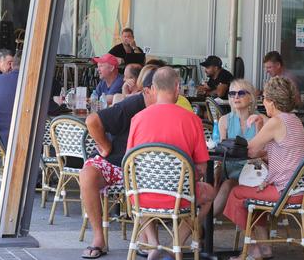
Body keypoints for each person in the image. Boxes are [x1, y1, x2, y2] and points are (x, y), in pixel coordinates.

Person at [126, 67, 216, 257]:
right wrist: (186, 177)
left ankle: (153, 243)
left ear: (154, 88)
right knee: (209, 194)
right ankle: (177, 241)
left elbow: (129, 164)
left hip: (141, 196)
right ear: (177, 87)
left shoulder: (137, 119)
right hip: (179, 197)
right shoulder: (192, 120)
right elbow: (201, 167)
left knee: (139, 190)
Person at [223, 76, 304, 259]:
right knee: (253, 196)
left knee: (236, 194)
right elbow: (272, 151)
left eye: (265, 99)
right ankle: (265, 248)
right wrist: (261, 124)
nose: (263, 103)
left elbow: (251, 151)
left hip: (286, 191)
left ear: (272, 101)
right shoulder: (295, 120)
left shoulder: (277, 121)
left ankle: (253, 250)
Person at [80, 68, 156, 259]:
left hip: (147, 168)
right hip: (116, 163)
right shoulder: (133, 105)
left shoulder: (174, 107)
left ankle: (151, 241)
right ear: (147, 90)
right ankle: (99, 238)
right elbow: (92, 120)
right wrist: (105, 146)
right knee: (87, 175)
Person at [213, 79, 263, 217]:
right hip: (230, 168)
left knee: (227, 185)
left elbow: (262, 150)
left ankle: (203, 225)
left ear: (251, 97)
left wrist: (259, 127)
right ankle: (202, 222)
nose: (236, 97)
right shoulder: (225, 120)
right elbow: (222, 149)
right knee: (212, 180)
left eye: (241, 93)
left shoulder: (261, 119)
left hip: (253, 169)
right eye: (232, 93)